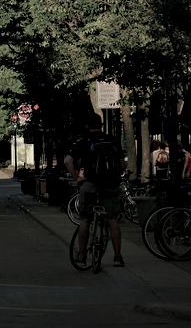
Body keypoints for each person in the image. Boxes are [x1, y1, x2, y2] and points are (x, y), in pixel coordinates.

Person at [64, 113, 126, 268]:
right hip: (111, 184)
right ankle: (117, 257)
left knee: (85, 219)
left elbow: (67, 161)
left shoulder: (84, 142)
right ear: (102, 125)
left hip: (90, 183)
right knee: (112, 219)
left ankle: (82, 255)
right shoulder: (112, 140)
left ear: (87, 126)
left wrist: (77, 178)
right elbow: (122, 164)